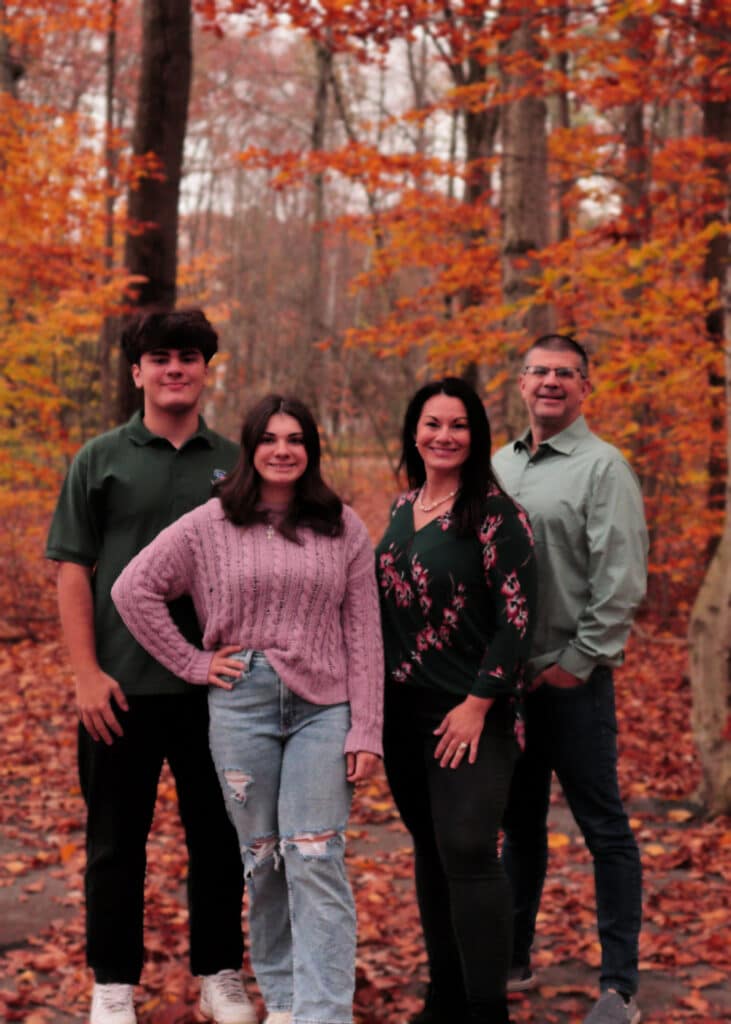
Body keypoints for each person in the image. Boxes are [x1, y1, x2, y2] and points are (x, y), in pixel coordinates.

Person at [111, 393, 384, 1024]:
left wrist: (366, 728)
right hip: (242, 704)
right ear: (251, 448)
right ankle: (284, 1003)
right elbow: (134, 589)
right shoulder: (210, 524)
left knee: (316, 857)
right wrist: (193, 663)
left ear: (311, 450)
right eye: (270, 439)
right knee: (263, 862)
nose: (283, 450)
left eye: (296, 439)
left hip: (325, 705)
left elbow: (364, 632)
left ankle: (323, 1013)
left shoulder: (342, 525)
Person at [45, 309, 254, 1024]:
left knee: (220, 838)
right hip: (120, 687)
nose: (175, 368)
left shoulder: (237, 461)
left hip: (216, 688)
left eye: (188, 357)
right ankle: (113, 982)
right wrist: (84, 673)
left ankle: (220, 972)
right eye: (160, 357)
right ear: (136, 372)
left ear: (204, 369)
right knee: (114, 843)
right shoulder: (99, 459)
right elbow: (73, 570)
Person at [494, 334, 648, 1024]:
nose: (550, 382)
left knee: (603, 828)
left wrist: (574, 664)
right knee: (517, 829)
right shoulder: (495, 464)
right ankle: (511, 956)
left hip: (571, 682)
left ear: (585, 387)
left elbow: (618, 581)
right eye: (539, 372)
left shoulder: (602, 467)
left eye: (565, 373)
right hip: (504, 685)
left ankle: (619, 986)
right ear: (520, 384)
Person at [375, 378, 536, 1024]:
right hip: (400, 712)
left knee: (469, 850)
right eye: (432, 423)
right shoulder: (399, 506)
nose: (443, 436)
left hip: (471, 711)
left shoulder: (496, 514)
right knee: (430, 849)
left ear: (476, 436)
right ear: (414, 431)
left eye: (458, 425)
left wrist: (477, 703)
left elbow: (516, 621)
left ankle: (484, 1008)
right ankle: (443, 997)